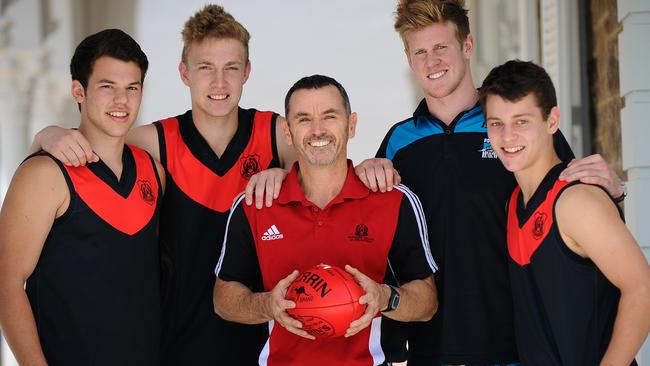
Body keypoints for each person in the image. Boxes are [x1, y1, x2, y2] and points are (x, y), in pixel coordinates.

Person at [350, 1, 627, 365]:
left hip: (518, 346)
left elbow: (572, 208)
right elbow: (368, 232)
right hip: (430, 348)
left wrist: (616, 193)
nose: (431, 63)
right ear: (408, 58)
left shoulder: (511, 130)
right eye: (420, 52)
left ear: (467, 46)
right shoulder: (399, 142)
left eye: (441, 48)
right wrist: (364, 174)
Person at [31, 5, 296, 365]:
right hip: (175, 343)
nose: (219, 83)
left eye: (231, 68)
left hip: (262, 339)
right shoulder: (155, 141)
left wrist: (287, 175)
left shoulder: (275, 133)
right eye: (205, 68)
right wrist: (46, 135)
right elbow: (78, 145)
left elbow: (325, 167)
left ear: (246, 72)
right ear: (184, 73)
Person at [213, 74, 438, 366]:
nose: (318, 130)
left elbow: (427, 303)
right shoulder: (256, 204)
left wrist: (384, 298)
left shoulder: (393, 200)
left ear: (351, 124)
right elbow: (224, 299)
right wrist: (267, 305)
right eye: (304, 119)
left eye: (329, 116)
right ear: (287, 131)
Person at [0, 29, 164, 365]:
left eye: (131, 88)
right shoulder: (44, 174)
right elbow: (6, 283)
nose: (122, 101)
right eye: (107, 87)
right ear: (79, 90)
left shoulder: (153, 172)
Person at [480, 59, 650, 366]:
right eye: (496, 124)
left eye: (521, 121)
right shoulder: (513, 204)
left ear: (552, 120)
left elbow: (643, 289)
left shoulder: (575, 201)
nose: (507, 138)